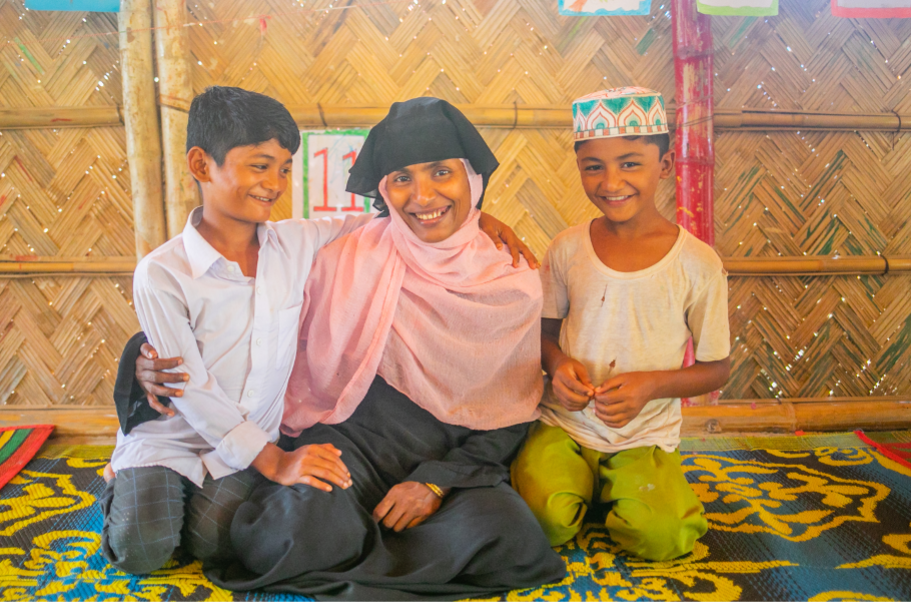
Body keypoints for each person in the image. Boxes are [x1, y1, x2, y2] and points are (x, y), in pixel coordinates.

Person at [104, 89, 536, 576]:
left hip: (291, 453)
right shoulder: (173, 270)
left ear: (470, 178)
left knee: (220, 540)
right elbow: (187, 374)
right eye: (259, 166)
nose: (274, 184)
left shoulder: (299, 245)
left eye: (283, 169)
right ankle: (130, 483)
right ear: (202, 165)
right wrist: (142, 363)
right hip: (233, 437)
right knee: (159, 547)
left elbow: (397, 214)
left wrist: (477, 215)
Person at [206, 97, 567, 600]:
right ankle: (374, 549)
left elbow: (510, 414)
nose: (423, 196)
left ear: (472, 180)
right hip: (350, 447)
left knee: (512, 539)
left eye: (442, 172)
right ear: (383, 189)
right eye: (401, 178)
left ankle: (361, 556)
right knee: (297, 532)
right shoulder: (348, 256)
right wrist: (146, 358)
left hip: (449, 462)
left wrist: (435, 484)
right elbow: (246, 318)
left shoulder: (512, 280)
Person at [511, 87, 731, 561]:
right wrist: (558, 363)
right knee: (539, 523)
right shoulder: (568, 249)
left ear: (666, 165)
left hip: (642, 436)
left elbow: (717, 368)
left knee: (663, 538)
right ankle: (581, 488)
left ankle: (612, 489)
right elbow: (543, 336)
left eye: (630, 163)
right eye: (594, 166)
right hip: (563, 426)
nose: (611, 181)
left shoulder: (697, 264)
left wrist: (651, 386)